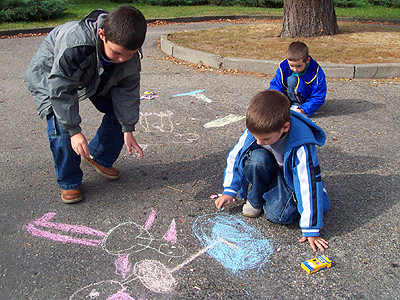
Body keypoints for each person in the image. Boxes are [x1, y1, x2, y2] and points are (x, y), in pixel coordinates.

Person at [25, 5, 147, 203]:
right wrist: (74, 131)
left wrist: (127, 127)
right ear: (102, 34)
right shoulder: (75, 45)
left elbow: (127, 92)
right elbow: (61, 90)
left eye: (129, 54)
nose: (122, 59)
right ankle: (69, 181)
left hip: (93, 74)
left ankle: (98, 157)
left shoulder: (127, 47)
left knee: (119, 111)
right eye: (117, 53)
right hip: (50, 75)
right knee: (59, 124)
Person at [215, 90, 330, 252]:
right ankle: (256, 200)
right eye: (256, 137)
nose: (259, 142)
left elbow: (308, 183)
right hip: (270, 167)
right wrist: (230, 190)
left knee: (278, 216)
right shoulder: (259, 129)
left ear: (285, 127)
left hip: (289, 178)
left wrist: (311, 228)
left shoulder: (301, 144)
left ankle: (277, 195)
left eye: (266, 139)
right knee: (255, 159)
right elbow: (236, 156)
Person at [269, 41, 327, 117]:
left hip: (304, 97)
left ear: (307, 60)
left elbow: (318, 96)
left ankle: (297, 105)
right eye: (292, 66)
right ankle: (284, 104)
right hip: (288, 94)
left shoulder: (316, 73)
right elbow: (276, 85)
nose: (295, 69)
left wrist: (304, 110)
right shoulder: (283, 68)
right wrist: (275, 100)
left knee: (293, 80)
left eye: (299, 66)